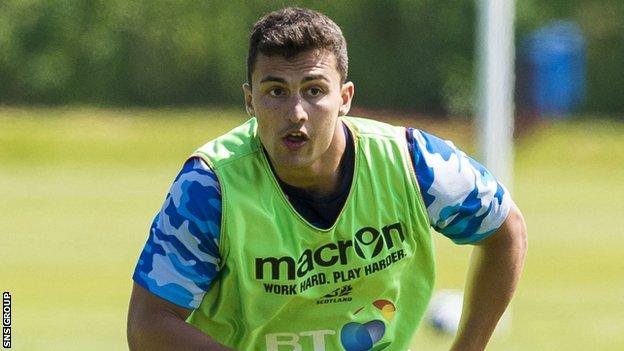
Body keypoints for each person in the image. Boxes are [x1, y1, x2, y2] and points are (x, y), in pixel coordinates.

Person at [127, 7, 527, 351]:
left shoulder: (413, 162)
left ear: (345, 98)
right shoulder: (210, 186)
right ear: (250, 101)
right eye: (276, 91)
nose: (296, 112)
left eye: (314, 90)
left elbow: (505, 229)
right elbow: (149, 324)